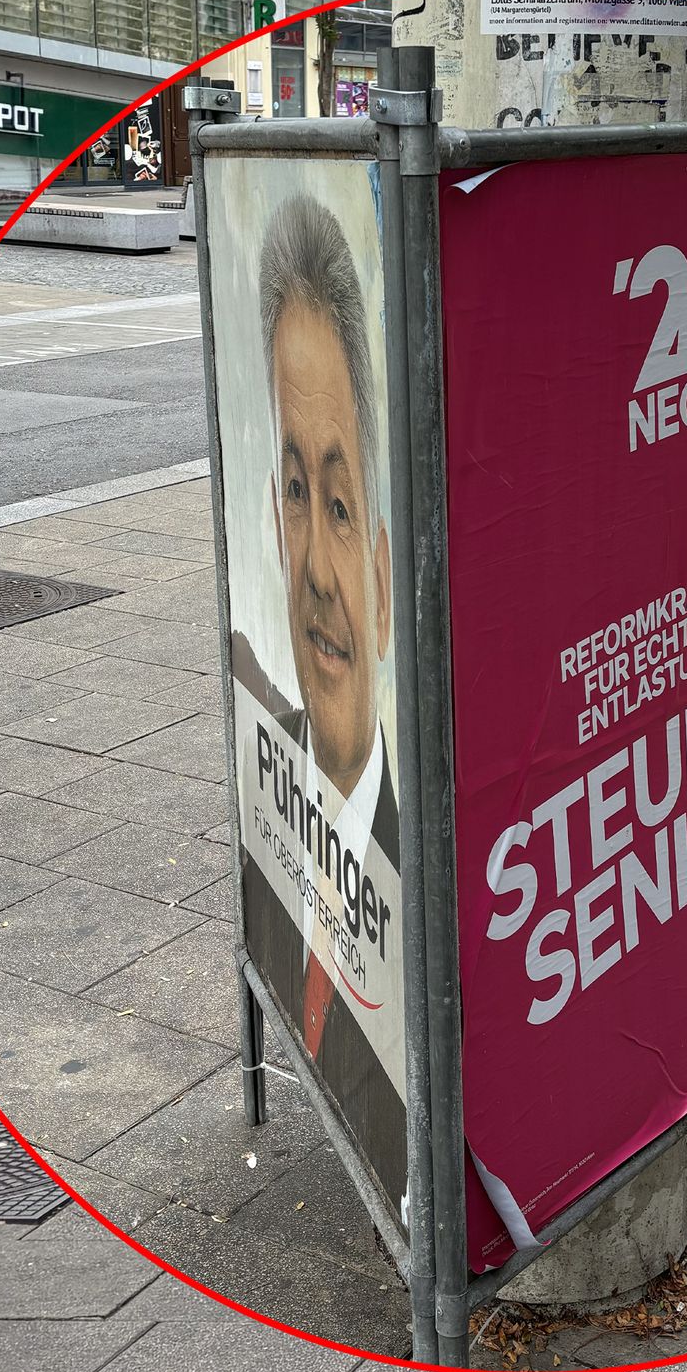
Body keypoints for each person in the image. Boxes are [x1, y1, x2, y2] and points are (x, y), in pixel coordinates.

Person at [226, 185, 406, 1209]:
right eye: (297, 493)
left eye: (339, 504)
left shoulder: (429, 870)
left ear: (382, 568)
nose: (319, 575)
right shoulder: (270, 760)